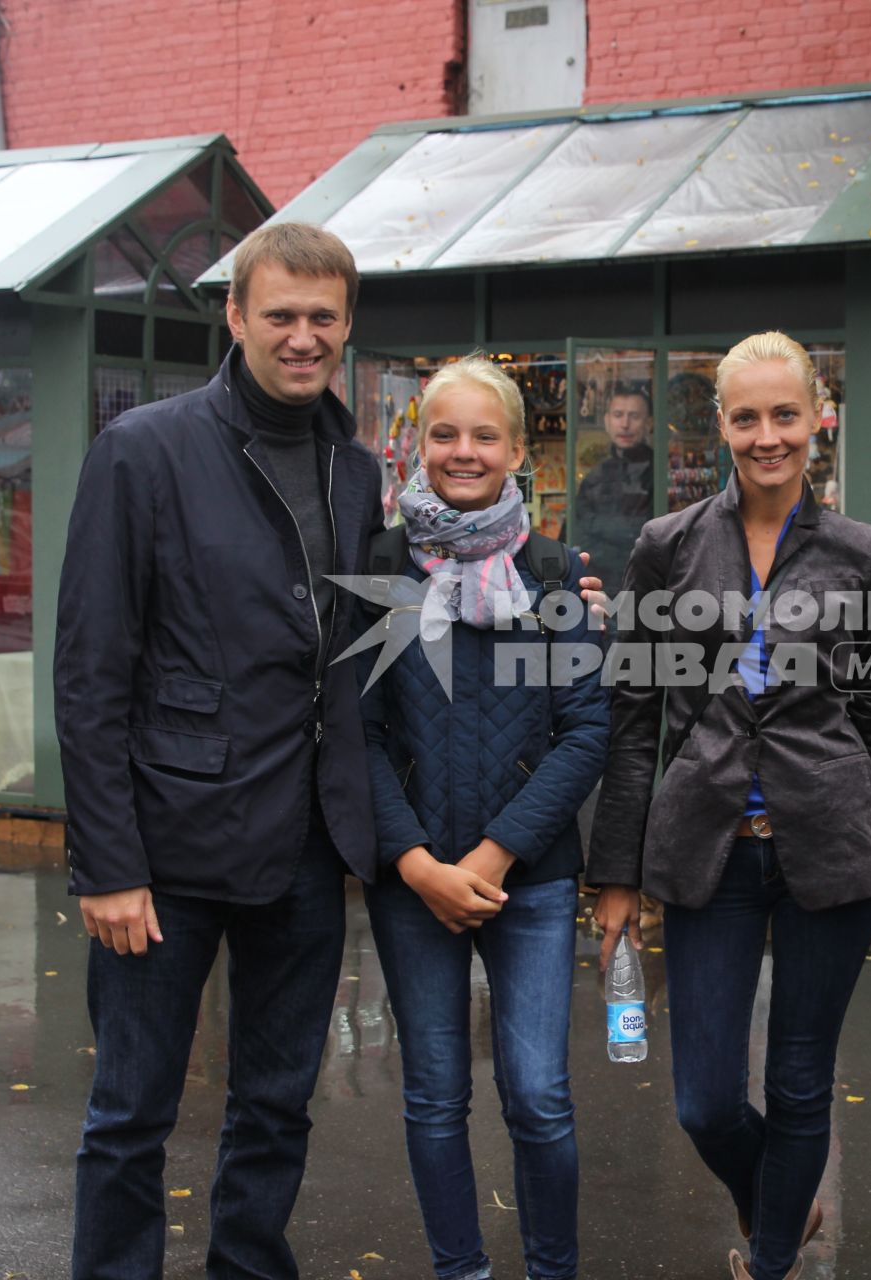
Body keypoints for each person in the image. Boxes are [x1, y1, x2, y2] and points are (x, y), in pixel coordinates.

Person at [56, 223, 383, 1280]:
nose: (302, 336)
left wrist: (559, 584)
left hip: (302, 841)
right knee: (132, 1111)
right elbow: (91, 667)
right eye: (279, 314)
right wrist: (108, 862)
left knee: (278, 1102)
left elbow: (383, 626)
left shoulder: (358, 467)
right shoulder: (143, 450)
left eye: (321, 317)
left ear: (346, 326)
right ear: (236, 317)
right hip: (168, 842)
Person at [587, 331, 871, 1280]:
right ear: (722, 424)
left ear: (818, 420)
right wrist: (613, 876)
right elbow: (632, 719)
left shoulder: (861, 555)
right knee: (703, 1100)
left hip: (833, 847)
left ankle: (771, 1260)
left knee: (800, 1080)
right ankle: (774, 1198)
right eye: (747, 416)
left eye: (786, 415)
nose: (767, 436)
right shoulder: (667, 547)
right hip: (708, 850)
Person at [361, 355, 609, 1280]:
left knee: (539, 1096)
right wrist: (418, 863)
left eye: (484, 435)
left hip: (531, 879)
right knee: (432, 1098)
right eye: (444, 433)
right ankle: (459, 1270)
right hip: (410, 878)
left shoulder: (554, 573)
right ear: (419, 443)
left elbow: (586, 731)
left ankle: (553, 1270)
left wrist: (498, 854)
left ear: (515, 449)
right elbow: (357, 737)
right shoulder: (380, 567)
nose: (463, 452)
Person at [572, 383, 653, 585]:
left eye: (634, 416)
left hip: (650, 584)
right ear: (607, 421)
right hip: (600, 586)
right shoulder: (594, 478)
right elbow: (577, 533)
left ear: (649, 423)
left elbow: (650, 533)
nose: (625, 424)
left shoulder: (660, 473)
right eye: (618, 415)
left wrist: (602, 529)